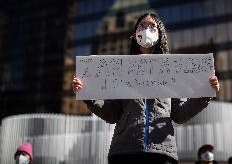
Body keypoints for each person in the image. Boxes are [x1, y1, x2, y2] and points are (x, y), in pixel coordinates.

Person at [72, 13, 220, 164]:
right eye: (142, 26)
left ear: (160, 33)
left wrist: (204, 94)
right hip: (124, 152)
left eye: (152, 26)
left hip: (162, 152)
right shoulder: (123, 69)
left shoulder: (172, 70)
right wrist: (89, 97)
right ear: (135, 35)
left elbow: (180, 114)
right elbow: (112, 114)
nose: (146, 29)